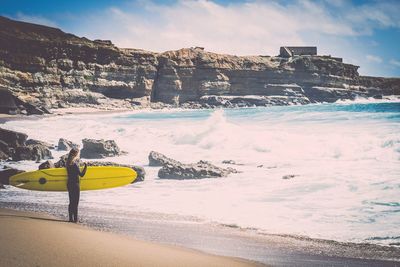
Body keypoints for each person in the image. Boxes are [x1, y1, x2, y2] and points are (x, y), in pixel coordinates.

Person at [66, 148, 87, 223]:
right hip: (75, 185)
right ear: (75, 155)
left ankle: (70, 219)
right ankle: (75, 219)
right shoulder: (74, 165)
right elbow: (81, 175)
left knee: (71, 202)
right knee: (76, 202)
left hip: (69, 184)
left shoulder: (67, 163)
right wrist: (86, 167)